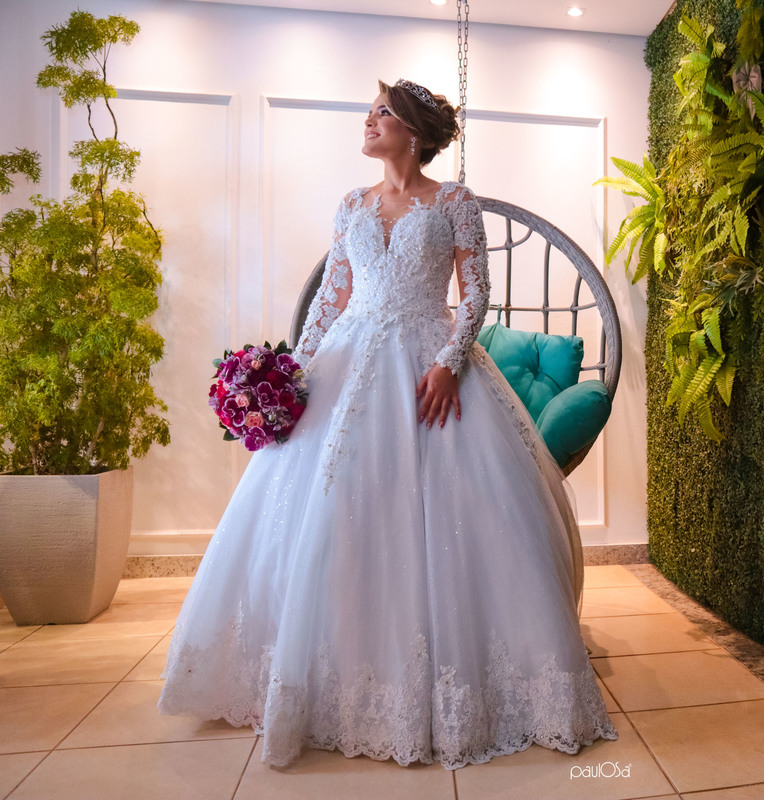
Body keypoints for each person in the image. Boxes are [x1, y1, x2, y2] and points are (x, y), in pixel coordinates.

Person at [158, 78, 618, 770]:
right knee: (327, 508)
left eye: (381, 114)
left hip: (430, 361)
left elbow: (476, 295)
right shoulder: (352, 203)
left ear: (413, 131)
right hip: (348, 361)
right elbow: (331, 297)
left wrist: (448, 364)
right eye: (370, 112)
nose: (368, 122)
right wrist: (291, 373)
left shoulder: (455, 201)